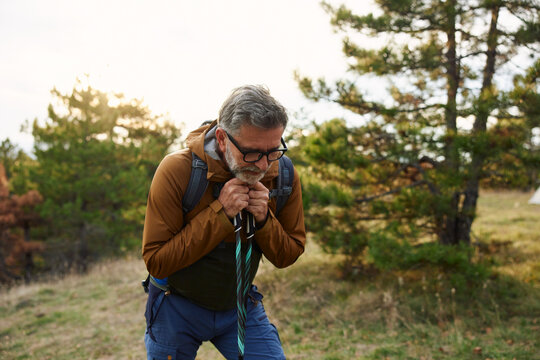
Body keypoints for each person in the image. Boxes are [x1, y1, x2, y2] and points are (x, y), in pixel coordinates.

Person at [142, 85, 306, 359]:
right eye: (252, 153)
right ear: (221, 138)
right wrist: (221, 213)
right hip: (176, 306)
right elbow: (157, 260)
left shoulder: (283, 175)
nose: (264, 165)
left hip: (239, 307)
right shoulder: (177, 171)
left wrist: (265, 219)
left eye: (273, 151)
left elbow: (288, 255)